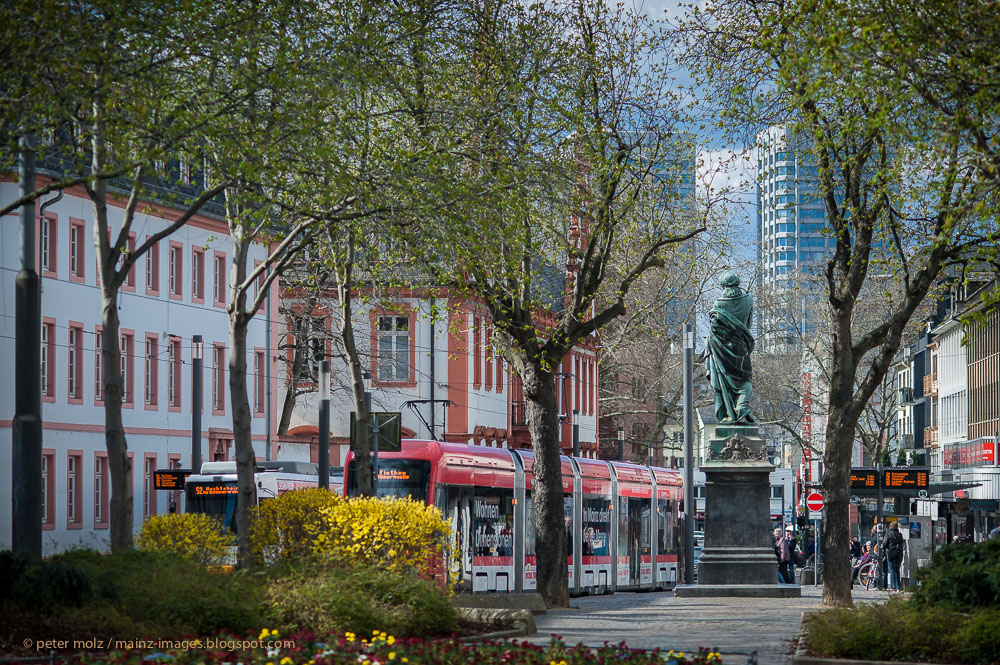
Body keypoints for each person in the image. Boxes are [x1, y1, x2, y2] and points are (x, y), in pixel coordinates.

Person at [705, 271, 755, 423]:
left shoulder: (718, 304)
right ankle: (741, 404)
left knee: (724, 381)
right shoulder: (748, 300)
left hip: (721, 350)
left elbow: (714, 329)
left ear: (723, 286)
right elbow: (748, 323)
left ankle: (731, 412)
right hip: (740, 347)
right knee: (745, 378)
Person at [885, 522, 904, 591]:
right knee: (897, 570)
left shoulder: (888, 533)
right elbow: (902, 543)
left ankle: (893, 586)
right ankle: (898, 587)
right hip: (899, 553)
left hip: (891, 552)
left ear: (890, 526)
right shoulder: (900, 534)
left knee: (892, 569)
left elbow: (885, 544)